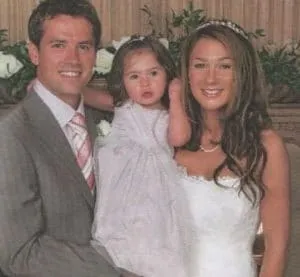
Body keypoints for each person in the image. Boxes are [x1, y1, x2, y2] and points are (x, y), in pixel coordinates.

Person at [0, 0, 126, 276]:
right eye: (58, 45)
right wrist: (123, 269)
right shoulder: (11, 134)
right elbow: (19, 252)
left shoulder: (110, 122)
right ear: (34, 53)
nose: (73, 59)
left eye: (83, 46)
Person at [175, 19, 290, 277]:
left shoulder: (266, 146)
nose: (211, 78)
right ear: (187, 73)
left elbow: (275, 251)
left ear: (242, 73)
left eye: (225, 66)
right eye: (200, 65)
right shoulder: (168, 142)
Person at [91, 36, 191, 277]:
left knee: (157, 240)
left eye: (153, 74)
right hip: (121, 192)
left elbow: (179, 138)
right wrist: (47, 86)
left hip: (158, 192)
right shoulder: (123, 106)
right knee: (121, 241)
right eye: (134, 76)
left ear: (167, 75)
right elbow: (86, 95)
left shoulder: (170, 114)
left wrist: (176, 98)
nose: (145, 83)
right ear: (122, 82)